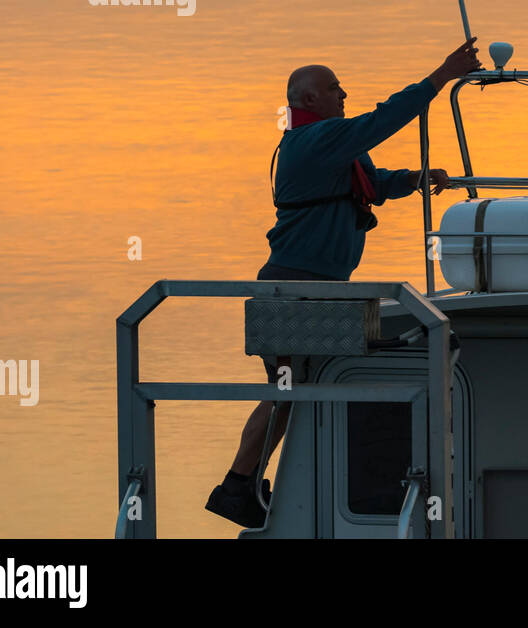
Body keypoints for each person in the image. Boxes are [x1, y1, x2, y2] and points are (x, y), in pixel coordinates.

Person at [205, 37, 482, 528]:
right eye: (335, 89)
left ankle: (242, 486)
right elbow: (383, 120)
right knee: (285, 392)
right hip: (294, 287)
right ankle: (237, 485)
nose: (344, 94)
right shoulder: (315, 141)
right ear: (308, 100)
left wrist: (417, 178)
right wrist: (441, 76)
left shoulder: (331, 145)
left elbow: (371, 188)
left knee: (287, 392)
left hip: (318, 287)